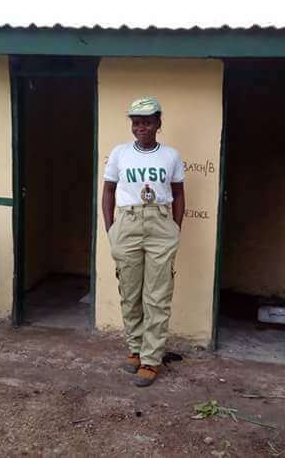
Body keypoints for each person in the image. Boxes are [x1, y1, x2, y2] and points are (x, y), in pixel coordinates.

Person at [102, 96, 185, 387]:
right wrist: (111, 230)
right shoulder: (119, 153)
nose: (141, 127)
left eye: (147, 121)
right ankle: (135, 348)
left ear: (158, 123)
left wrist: (175, 228)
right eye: (136, 122)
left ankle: (151, 358)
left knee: (157, 295)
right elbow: (109, 191)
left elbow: (179, 193)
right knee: (130, 291)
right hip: (127, 223)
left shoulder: (171, 156)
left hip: (160, 224)